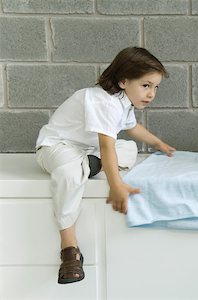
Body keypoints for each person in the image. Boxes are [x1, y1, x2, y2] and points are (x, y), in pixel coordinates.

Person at [35, 47, 175, 284]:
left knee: (128, 149)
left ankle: (89, 166)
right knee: (70, 173)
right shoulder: (103, 101)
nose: (152, 93)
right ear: (123, 81)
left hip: (86, 150)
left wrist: (159, 143)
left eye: (155, 87)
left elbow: (132, 128)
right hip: (56, 147)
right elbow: (106, 146)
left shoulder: (124, 102)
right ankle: (69, 245)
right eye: (146, 85)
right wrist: (116, 185)